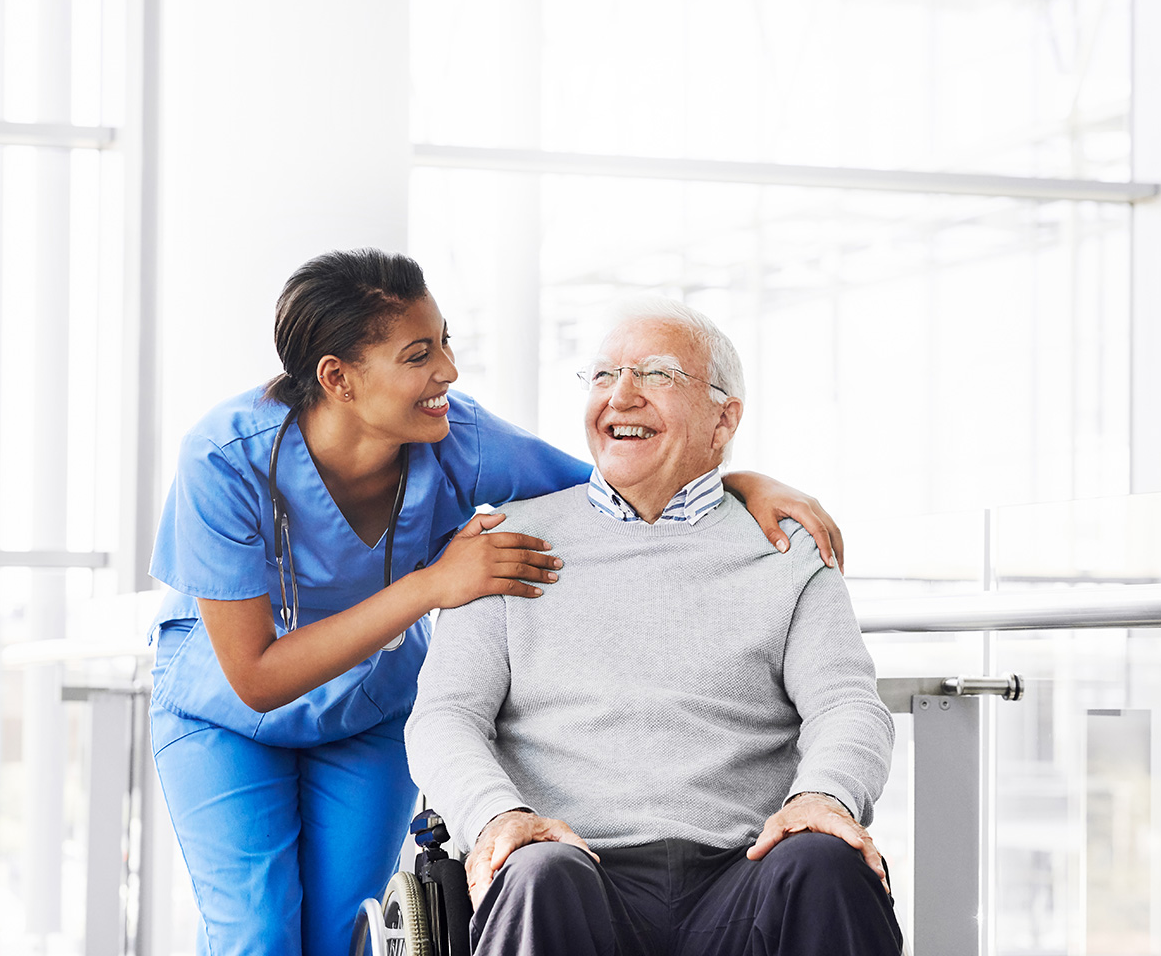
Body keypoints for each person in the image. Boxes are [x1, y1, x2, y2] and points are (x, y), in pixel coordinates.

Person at [147, 248, 847, 956]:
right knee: (256, 934)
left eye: (445, 341)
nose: (448, 370)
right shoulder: (225, 458)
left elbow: (626, 481)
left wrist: (742, 481)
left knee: (341, 936)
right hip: (226, 715)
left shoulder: (459, 436)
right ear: (339, 378)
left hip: (363, 710)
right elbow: (256, 679)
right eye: (419, 354)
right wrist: (430, 586)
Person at [405, 296, 901, 956]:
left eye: (657, 374)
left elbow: (846, 706)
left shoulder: (786, 552)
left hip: (743, 869)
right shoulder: (505, 542)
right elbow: (445, 716)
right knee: (536, 871)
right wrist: (500, 816)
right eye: (604, 376)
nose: (622, 395)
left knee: (823, 861)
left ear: (722, 420)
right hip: (572, 867)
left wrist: (824, 797)